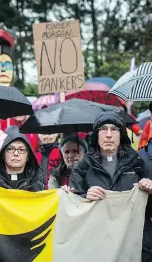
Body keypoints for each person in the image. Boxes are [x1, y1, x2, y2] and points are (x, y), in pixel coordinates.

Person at [69, 111, 152, 262]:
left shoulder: (138, 163)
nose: (108, 135)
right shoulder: (82, 168)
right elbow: (72, 209)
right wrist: (84, 197)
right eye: (103, 129)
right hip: (98, 246)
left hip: (135, 243)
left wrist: (150, 189)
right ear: (96, 134)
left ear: (121, 134)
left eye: (114, 129)